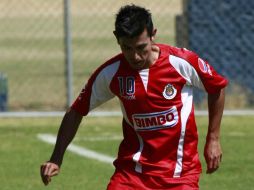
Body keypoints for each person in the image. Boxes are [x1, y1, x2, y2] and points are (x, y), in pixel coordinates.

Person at [40, 4, 228, 189]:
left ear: (153, 34)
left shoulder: (181, 62)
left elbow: (216, 88)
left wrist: (213, 138)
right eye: (127, 48)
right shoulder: (112, 72)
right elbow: (76, 111)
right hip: (132, 175)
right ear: (117, 39)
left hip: (179, 175)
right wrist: (56, 158)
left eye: (141, 47)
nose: (135, 56)